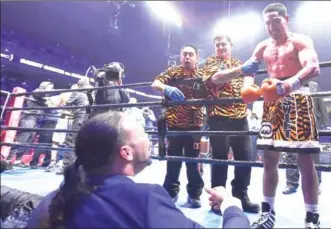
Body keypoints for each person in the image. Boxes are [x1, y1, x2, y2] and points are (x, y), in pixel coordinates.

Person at [26, 111, 251, 228]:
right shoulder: (146, 199)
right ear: (126, 153)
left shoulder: (57, 198)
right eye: (143, 133)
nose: (148, 138)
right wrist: (232, 206)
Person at [242, 3, 321, 228]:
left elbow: (313, 67)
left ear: (286, 18)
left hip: (297, 97)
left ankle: (312, 218)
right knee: (269, 160)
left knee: (305, 161)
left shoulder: (299, 41)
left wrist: (289, 84)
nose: (271, 26)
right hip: (271, 103)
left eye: (275, 21)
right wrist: (249, 88)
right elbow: (249, 69)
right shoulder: (262, 46)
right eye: (267, 22)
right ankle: (267, 215)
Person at [202, 35, 260, 214]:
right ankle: (218, 200)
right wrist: (242, 69)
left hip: (240, 117)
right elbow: (216, 79)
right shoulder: (210, 62)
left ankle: (241, 196)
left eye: (223, 44)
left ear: (231, 45)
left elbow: (248, 81)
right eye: (217, 45)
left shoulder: (237, 62)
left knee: (245, 157)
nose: (220, 47)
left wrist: (250, 84)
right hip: (219, 116)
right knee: (220, 158)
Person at [151, 44, 205, 208]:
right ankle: (171, 192)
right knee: (173, 161)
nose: (187, 57)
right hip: (174, 124)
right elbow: (155, 83)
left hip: (195, 125)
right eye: (184, 54)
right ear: (181, 57)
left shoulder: (202, 74)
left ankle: (194, 194)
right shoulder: (173, 72)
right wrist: (167, 87)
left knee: (193, 162)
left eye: (191, 54)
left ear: (196, 57)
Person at [282, 81, 330, 195]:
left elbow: (321, 104)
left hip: (311, 121)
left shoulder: (314, 85)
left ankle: (316, 183)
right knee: (290, 153)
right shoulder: (289, 83)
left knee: (313, 154)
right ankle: (291, 184)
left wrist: (327, 124)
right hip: (292, 120)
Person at [7, 81, 54, 166]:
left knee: (29, 140)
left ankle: (18, 160)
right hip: (29, 117)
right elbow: (40, 94)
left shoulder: (43, 99)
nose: (51, 89)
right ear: (44, 86)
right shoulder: (37, 91)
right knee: (23, 138)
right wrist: (46, 96)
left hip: (36, 119)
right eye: (50, 87)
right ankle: (9, 159)